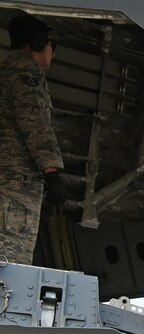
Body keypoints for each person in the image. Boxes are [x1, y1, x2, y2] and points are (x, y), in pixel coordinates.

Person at [0, 14, 65, 266]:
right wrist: (52, 171)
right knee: (9, 258)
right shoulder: (26, 71)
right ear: (38, 43)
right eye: (51, 44)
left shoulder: (8, 69)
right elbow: (34, 121)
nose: (53, 52)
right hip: (15, 181)